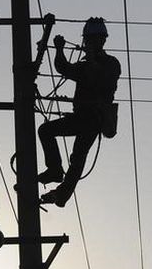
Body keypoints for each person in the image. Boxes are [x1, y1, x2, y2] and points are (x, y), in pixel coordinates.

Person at [37, 17, 121, 207]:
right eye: (88, 40)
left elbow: (99, 78)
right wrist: (59, 49)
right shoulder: (84, 65)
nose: (88, 44)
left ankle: (62, 193)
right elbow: (64, 68)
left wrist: (91, 58)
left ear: (102, 41)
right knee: (46, 130)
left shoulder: (111, 64)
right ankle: (55, 170)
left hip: (94, 119)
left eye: (92, 40)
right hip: (80, 117)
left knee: (77, 157)